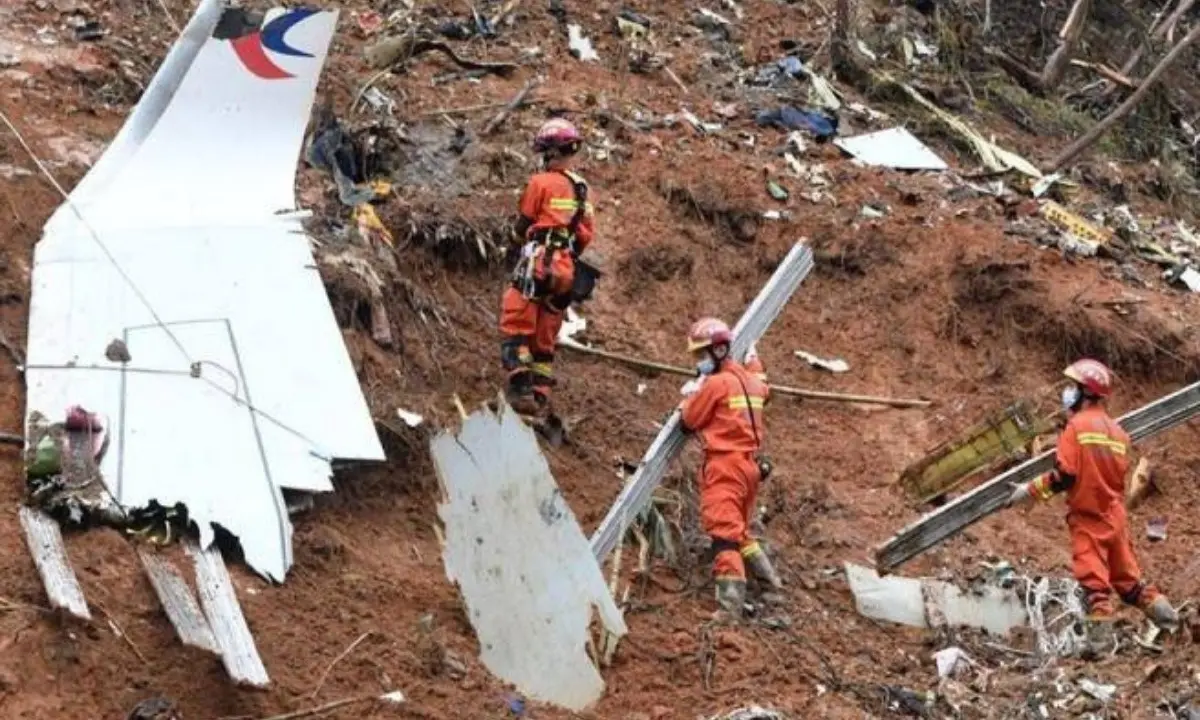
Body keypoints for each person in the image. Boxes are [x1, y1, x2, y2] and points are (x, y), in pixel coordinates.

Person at [1009, 358, 1179, 635]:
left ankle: (1099, 647)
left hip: (1089, 518)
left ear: (1084, 392)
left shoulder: (1076, 427)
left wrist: (1029, 491)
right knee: (1130, 585)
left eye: (1072, 387)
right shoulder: (1118, 433)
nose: (1068, 393)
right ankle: (1172, 623)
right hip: (1114, 516)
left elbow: (1066, 475)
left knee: (1096, 589)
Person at [678, 317, 782, 619]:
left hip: (724, 467)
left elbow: (689, 422)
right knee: (740, 532)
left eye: (701, 354)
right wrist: (755, 361)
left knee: (724, 534)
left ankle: (729, 607)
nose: (698, 361)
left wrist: (689, 396)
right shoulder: (751, 381)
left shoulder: (717, 384)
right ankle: (771, 586)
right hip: (749, 468)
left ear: (719, 351)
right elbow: (764, 387)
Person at [499, 118, 596, 415]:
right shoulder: (582, 190)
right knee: (546, 328)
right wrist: (565, 256)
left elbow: (524, 221)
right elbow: (584, 234)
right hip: (566, 268)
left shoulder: (540, 183)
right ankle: (540, 396)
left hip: (538, 260)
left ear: (549, 152)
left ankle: (521, 388)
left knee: (516, 317)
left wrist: (512, 247)